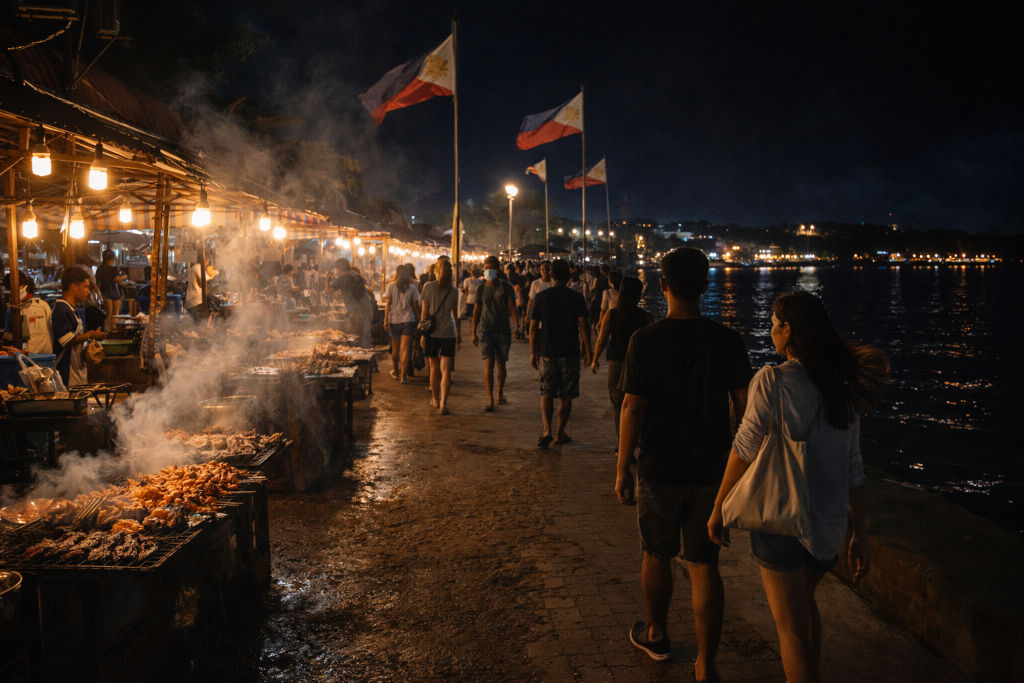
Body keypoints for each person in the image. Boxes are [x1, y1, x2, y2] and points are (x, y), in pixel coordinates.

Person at [708, 290, 888, 683]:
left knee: (789, 629)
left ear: (788, 331)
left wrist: (719, 507)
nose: (772, 331)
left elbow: (743, 448)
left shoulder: (771, 380)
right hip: (827, 525)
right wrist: (860, 532)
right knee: (805, 607)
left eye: (775, 324)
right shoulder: (842, 387)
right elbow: (854, 469)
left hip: (781, 522)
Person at [615, 247, 751, 681]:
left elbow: (632, 407)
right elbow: (744, 409)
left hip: (659, 466)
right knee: (704, 564)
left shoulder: (645, 340)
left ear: (663, 285)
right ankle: (706, 665)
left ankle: (657, 634)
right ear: (706, 285)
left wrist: (622, 467)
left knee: (656, 553)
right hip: (712, 468)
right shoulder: (728, 341)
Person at [529, 258, 591, 447]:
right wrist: (589, 350)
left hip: (547, 351)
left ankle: (546, 429)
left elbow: (533, 327)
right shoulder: (576, 297)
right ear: (568, 275)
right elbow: (583, 325)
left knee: (546, 392)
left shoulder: (541, 297)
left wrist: (533, 351)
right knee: (567, 394)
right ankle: (560, 433)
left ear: (552, 275)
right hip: (569, 352)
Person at [590, 276, 652, 444]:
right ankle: (638, 440)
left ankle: (622, 443)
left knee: (618, 405)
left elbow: (601, 340)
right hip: (638, 365)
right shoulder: (646, 317)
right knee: (639, 404)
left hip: (616, 363)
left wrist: (595, 359)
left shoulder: (612, 315)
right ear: (638, 295)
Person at [472, 255, 519, 411]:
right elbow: (477, 310)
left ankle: (499, 392)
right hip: (485, 330)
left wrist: (516, 325)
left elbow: (512, 307)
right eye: (486, 268)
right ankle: (490, 398)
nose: (488, 271)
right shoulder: (481, 288)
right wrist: (473, 331)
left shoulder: (507, 287)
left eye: (490, 268)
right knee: (489, 363)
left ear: (497, 270)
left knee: (501, 364)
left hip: (503, 330)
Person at [419, 257, 460, 414]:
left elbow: (424, 313)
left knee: (434, 368)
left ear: (436, 271)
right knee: (446, 371)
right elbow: (455, 314)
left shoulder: (428, 287)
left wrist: (423, 335)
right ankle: (444, 402)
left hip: (432, 334)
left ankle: (435, 399)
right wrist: (459, 334)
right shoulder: (454, 291)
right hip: (448, 332)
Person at [52, 268, 106, 386]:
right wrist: (90, 334)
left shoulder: (72, 309)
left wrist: (91, 339)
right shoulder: (61, 310)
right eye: (86, 286)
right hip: (66, 374)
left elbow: (77, 338)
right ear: (74, 287)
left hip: (77, 372)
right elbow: (65, 340)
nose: (88, 291)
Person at [384, 264, 420, 382]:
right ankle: (403, 376)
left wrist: (385, 320)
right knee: (405, 349)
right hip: (409, 319)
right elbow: (415, 306)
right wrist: (419, 319)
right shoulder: (412, 288)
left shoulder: (391, 286)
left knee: (395, 349)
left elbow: (388, 305)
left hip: (394, 320)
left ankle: (395, 371)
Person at [3, 273, 53, 354]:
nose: (13, 292)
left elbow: (52, 331)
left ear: (24, 286)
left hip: (46, 357)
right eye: (10, 289)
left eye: (17, 287)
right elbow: (8, 335)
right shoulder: (12, 310)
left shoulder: (43, 306)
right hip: (23, 357)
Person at [95, 250, 127, 331]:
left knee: (108, 314)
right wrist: (124, 277)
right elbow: (117, 280)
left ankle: (108, 331)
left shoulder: (99, 269)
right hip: (115, 293)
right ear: (112, 259)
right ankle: (114, 330)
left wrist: (99, 296)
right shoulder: (113, 269)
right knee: (115, 314)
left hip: (104, 293)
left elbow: (97, 284)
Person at [185, 256, 215, 323]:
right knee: (201, 325)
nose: (208, 263)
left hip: (191, 301)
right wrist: (212, 275)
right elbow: (202, 282)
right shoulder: (199, 268)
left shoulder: (193, 268)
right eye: (208, 260)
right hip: (196, 301)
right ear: (205, 260)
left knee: (197, 325)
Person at [525, 261, 554, 325]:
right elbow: (531, 300)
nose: (545, 271)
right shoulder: (535, 283)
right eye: (543, 269)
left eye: (547, 269)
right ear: (540, 271)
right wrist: (527, 315)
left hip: (552, 315)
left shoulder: (554, 283)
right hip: (538, 315)